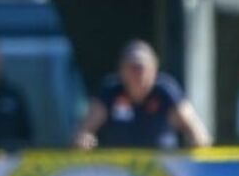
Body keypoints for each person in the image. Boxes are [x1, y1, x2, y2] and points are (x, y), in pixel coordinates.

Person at [73, 40, 211, 150]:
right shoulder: (109, 92)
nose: (137, 74)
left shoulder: (166, 92)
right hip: (118, 171)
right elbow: (83, 133)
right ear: (121, 70)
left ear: (154, 70)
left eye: (141, 68)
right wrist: (85, 141)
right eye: (131, 67)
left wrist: (194, 143)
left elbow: (199, 135)